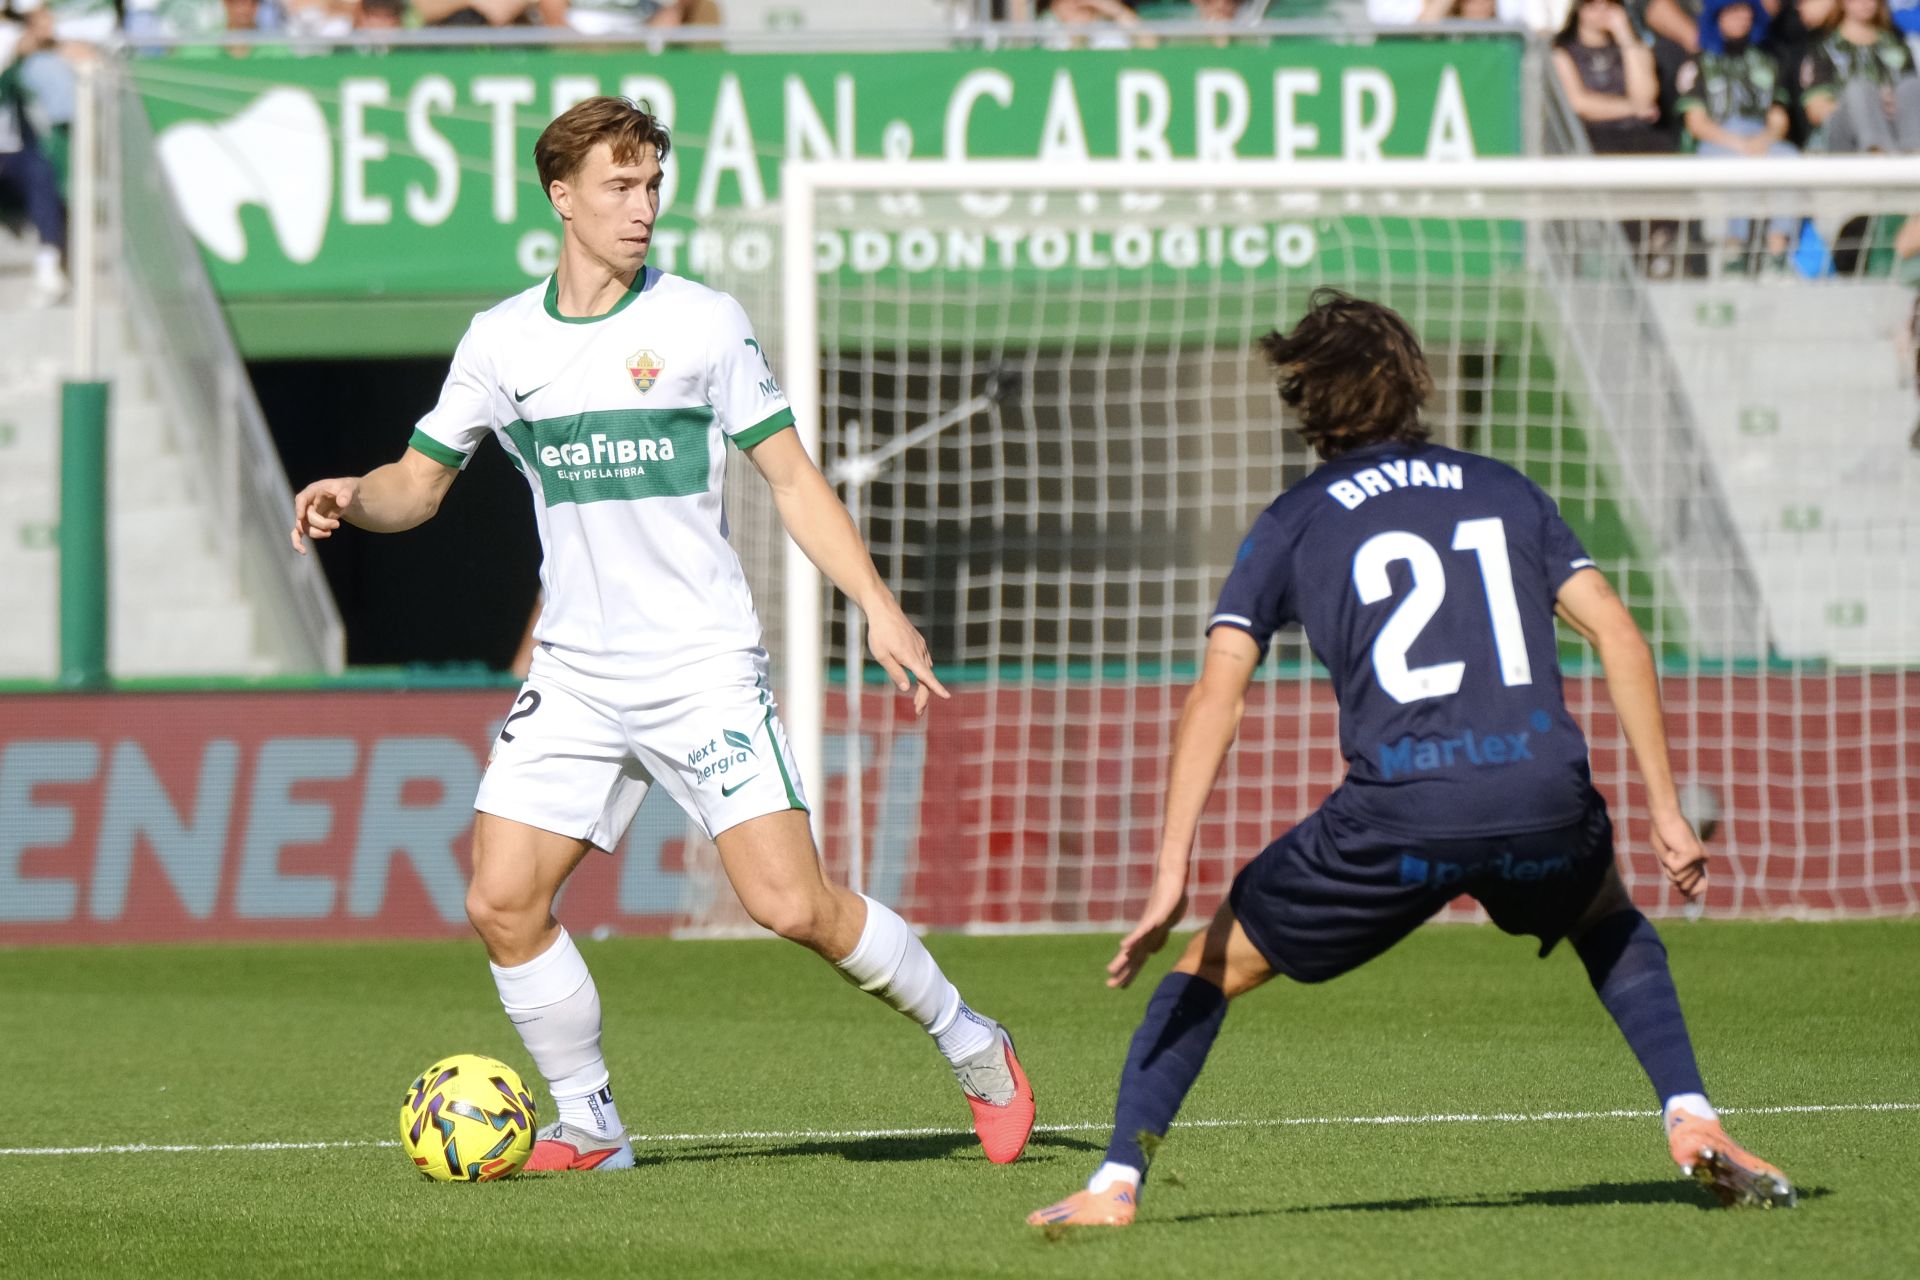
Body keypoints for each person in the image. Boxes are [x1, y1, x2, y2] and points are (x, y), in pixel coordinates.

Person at [290, 96, 1035, 1173]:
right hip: (580, 671)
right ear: (562, 197)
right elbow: (418, 485)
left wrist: (875, 601)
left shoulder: (701, 320)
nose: (642, 209)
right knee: (501, 898)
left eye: (652, 186)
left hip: (699, 665)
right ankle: (591, 1122)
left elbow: (790, 475)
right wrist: (350, 497)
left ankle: (974, 1041)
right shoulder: (503, 340)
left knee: (791, 904)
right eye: (618, 187)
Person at [1026, 289, 1795, 1228]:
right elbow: (1620, 637)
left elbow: (1218, 693)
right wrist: (1667, 810)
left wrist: (1170, 869)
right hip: (1542, 796)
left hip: (1401, 818)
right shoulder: (1505, 488)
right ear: (1413, 385)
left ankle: (1114, 1186)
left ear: (1308, 399)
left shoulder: (1295, 518)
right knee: (1608, 919)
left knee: (1203, 967)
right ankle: (1691, 1114)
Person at [1676, 0, 1800, 271]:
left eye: (1746, 10)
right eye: (1732, 11)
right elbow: (1696, 122)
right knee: (1736, 166)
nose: (1741, 17)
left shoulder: (1769, 61)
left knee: (1790, 159)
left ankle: (1777, 253)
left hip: (1760, 137)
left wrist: (1762, 141)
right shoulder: (1699, 62)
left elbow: (1779, 119)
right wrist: (1739, 144)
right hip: (1718, 140)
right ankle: (1734, 252)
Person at [1800, 0, 1920, 152]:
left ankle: (1914, 155)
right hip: (1843, 134)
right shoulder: (1824, 49)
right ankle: (1876, 153)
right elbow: (1816, 110)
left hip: (1894, 125)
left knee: (1911, 85)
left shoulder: (1897, 46)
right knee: (1860, 90)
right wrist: (1868, 107)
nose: (1865, 3)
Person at [1554, 0, 1673, 152]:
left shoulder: (1636, 48)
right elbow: (1579, 103)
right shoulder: (1563, 53)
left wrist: (1624, 36)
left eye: (1609, 4)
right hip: (1591, 138)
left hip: (1640, 136)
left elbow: (1645, 97)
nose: (1602, 10)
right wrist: (1633, 108)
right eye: (1593, 5)